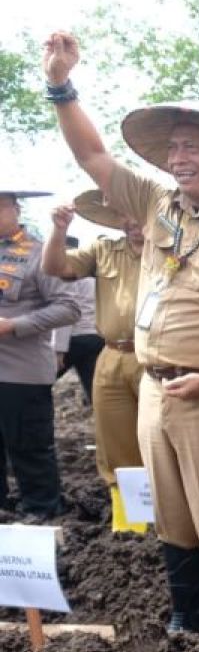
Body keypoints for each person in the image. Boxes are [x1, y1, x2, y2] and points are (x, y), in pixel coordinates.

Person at [44, 31, 199, 632]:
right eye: (175, 148)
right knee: (175, 516)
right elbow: (93, 157)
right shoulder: (157, 205)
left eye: (195, 149)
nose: (180, 158)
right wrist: (61, 86)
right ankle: (190, 623)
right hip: (155, 390)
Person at [41, 192, 149, 533]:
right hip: (112, 354)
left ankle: (171, 519)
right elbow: (54, 267)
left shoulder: (174, 251)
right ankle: (130, 523)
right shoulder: (103, 251)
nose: (135, 224)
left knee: (162, 439)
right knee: (114, 442)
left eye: (141, 215)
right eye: (127, 216)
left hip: (159, 358)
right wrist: (59, 231)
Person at [0, 186, 80, 517]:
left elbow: (68, 308)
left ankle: (44, 512)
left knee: (29, 448)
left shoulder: (39, 253)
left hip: (21, 373)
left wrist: (13, 325)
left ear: (15, 209)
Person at [51, 236, 105, 406]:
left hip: (74, 339)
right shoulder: (93, 275)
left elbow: (66, 313)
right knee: (94, 391)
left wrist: (58, 349)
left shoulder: (67, 274)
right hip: (96, 337)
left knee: (38, 383)